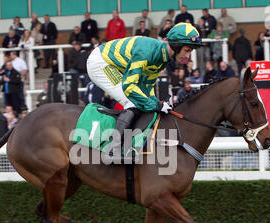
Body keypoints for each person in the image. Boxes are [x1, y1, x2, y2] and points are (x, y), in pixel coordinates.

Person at [86, 23, 202, 162]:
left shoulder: (162, 58)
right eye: (187, 50)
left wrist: (157, 103)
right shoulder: (146, 52)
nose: (188, 56)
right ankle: (113, 149)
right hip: (101, 63)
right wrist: (154, 105)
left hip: (115, 65)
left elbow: (147, 87)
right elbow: (129, 86)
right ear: (176, 45)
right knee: (131, 101)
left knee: (143, 101)